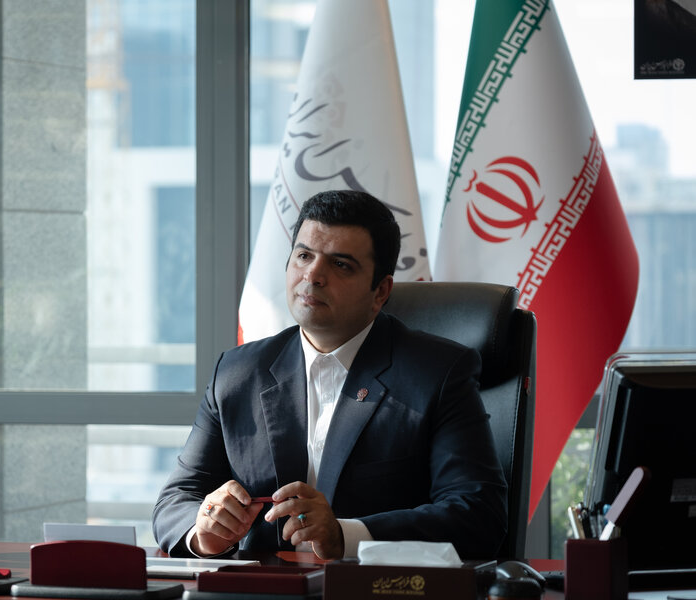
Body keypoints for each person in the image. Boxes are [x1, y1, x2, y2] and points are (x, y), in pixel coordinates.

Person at [152, 190, 507, 560]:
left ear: (380, 291)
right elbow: (175, 500)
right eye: (304, 256)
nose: (313, 275)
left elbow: (478, 515)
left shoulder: (438, 373)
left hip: (375, 584)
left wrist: (345, 536)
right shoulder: (238, 373)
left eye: (341, 265)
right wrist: (203, 532)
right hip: (263, 583)